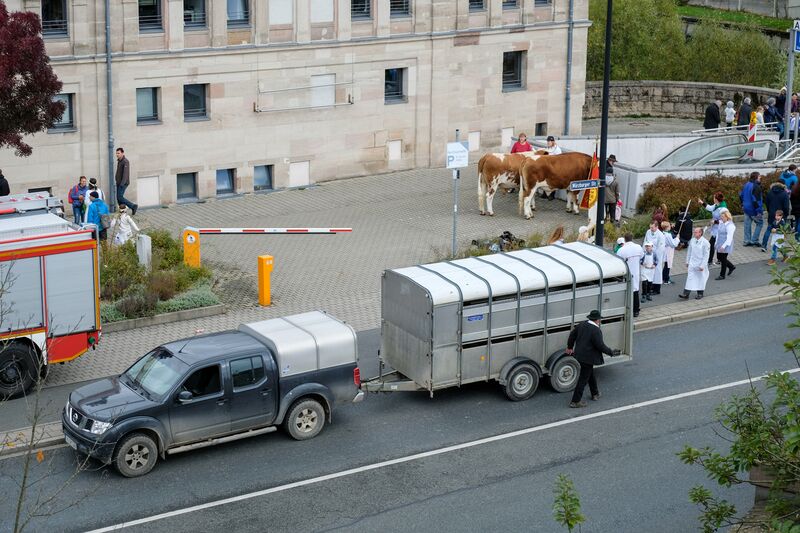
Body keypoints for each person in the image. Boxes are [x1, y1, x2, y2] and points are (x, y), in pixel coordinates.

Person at [566, 310, 621, 408]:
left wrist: (570, 347)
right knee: (583, 379)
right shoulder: (596, 330)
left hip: (579, 355)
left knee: (590, 374)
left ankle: (595, 393)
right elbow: (600, 346)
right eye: (599, 319)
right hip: (588, 358)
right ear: (597, 320)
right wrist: (611, 352)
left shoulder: (582, 324)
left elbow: (572, 335)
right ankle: (575, 401)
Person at [679, 227, 710, 300]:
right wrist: (687, 261)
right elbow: (689, 252)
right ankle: (686, 294)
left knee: (700, 278)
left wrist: (702, 265)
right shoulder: (692, 241)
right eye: (694, 232)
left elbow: (706, 255)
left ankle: (700, 293)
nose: (694, 233)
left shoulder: (705, 243)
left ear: (700, 233)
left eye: (696, 232)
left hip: (700, 264)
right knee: (690, 278)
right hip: (692, 263)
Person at [616, 233, 643, 317]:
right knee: (635, 291)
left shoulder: (621, 250)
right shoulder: (638, 247)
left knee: (626, 290)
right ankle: (636, 310)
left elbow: (618, 261)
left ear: (625, 239)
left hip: (626, 272)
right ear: (632, 238)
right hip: (636, 271)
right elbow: (642, 256)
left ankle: (626, 309)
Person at [698, 192, 727, 267]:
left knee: (711, 245)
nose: (713, 199)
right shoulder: (716, 205)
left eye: (714, 198)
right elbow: (710, 208)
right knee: (717, 244)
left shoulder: (723, 208)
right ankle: (719, 260)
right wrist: (702, 203)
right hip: (715, 229)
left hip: (720, 230)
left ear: (717, 199)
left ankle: (710, 261)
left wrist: (715, 221)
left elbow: (725, 220)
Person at [761, 181, 791, 252]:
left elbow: (767, 204)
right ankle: (781, 246)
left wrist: (769, 211)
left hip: (772, 214)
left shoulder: (770, 193)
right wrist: (786, 214)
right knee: (782, 231)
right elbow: (786, 207)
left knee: (768, 230)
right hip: (781, 215)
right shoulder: (784, 194)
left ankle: (764, 246)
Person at [740, 172, 763, 247]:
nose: (760, 178)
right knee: (760, 223)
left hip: (746, 208)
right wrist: (759, 211)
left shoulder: (746, 184)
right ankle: (754, 240)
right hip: (753, 210)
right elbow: (756, 200)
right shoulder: (756, 187)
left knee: (747, 225)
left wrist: (742, 204)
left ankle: (747, 240)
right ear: (756, 177)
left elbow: (741, 195)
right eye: (759, 176)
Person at [643, 220, 665, 294]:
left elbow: (661, 248)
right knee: (650, 272)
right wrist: (644, 252)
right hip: (648, 255)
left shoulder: (660, 235)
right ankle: (651, 286)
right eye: (650, 227)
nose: (651, 229)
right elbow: (645, 242)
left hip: (656, 256)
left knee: (657, 272)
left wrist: (655, 258)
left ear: (656, 227)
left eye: (652, 227)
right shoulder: (648, 232)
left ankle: (657, 289)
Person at [115, 147, 138, 215]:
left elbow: (125, 174)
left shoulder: (125, 161)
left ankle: (133, 206)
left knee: (120, 197)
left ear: (122, 153)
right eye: (116, 153)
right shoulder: (119, 161)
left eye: (118, 153)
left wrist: (122, 184)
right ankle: (122, 210)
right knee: (119, 198)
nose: (117, 154)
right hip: (119, 182)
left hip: (123, 183)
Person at [715, 209, 736, 280]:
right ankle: (731, 266)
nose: (721, 218)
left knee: (723, 259)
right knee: (719, 257)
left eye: (723, 217)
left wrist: (723, 246)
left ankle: (722, 275)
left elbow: (729, 238)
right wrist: (716, 243)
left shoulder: (730, 226)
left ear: (727, 217)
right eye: (721, 217)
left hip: (726, 244)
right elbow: (718, 233)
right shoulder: (721, 222)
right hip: (719, 243)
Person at [660, 221, 679, 285]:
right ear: (667, 227)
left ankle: (663, 277)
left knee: (666, 265)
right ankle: (666, 279)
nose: (670, 226)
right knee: (668, 265)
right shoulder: (668, 235)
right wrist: (677, 239)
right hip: (668, 251)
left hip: (665, 250)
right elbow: (673, 244)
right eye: (669, 226)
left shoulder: (663, 233)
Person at [604, 156, 620, 224]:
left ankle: (604, 222)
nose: (613, 163)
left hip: (604, 199)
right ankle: (612, 223)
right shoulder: (615, 181)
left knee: (603, 212)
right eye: (613, 162)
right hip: (612, 200)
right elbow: (617, 192)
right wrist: (617, 199)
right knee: (612, 213)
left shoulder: (602, 180)